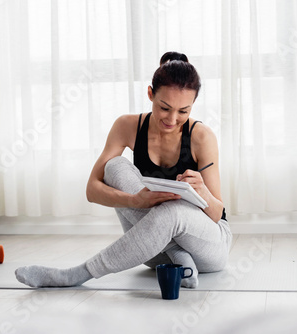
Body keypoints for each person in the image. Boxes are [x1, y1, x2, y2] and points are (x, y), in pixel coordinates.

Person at [15, 52, 232, 288]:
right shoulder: (127, 126)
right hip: (152, 250)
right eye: (164, 107)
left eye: (183, 111)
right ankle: (177, 256)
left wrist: (203, 191)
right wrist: (136, 200)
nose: (172, 119)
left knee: (174, 212)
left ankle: (74, 275)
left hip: (208, 246)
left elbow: (216, 214)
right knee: (114, 166)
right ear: (150, 94)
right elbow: (92, 190)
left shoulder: (202, 136)